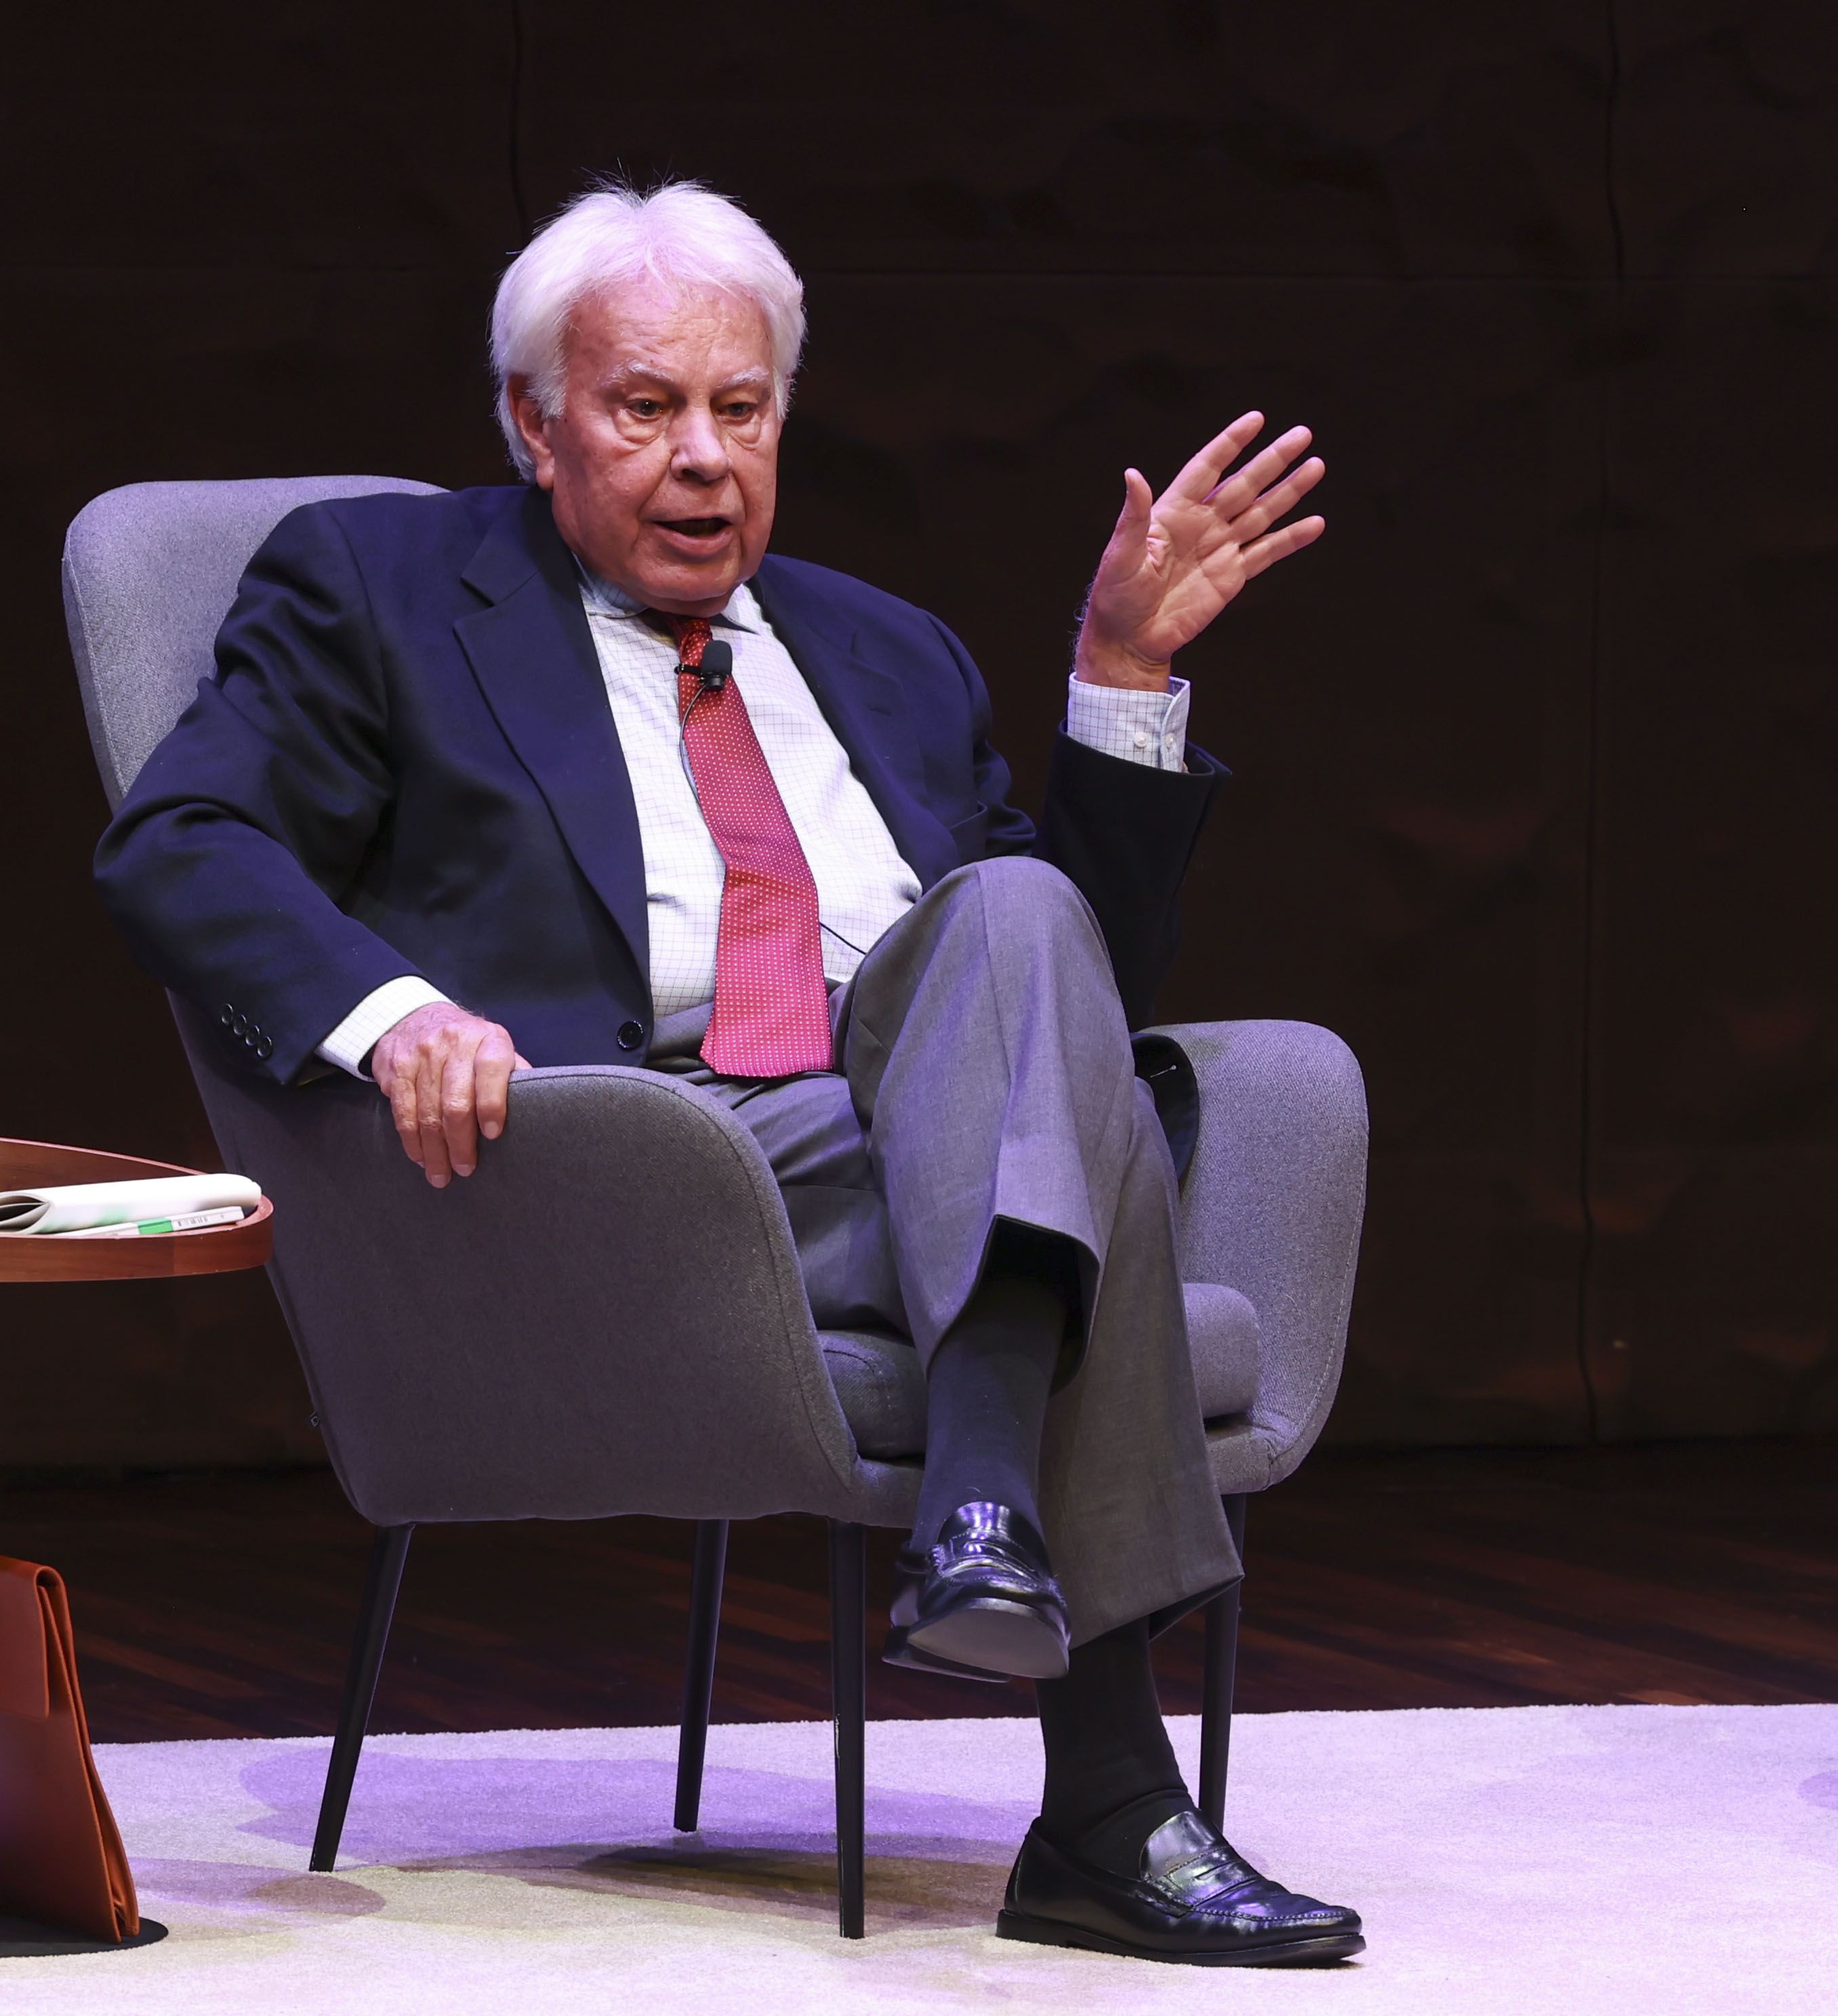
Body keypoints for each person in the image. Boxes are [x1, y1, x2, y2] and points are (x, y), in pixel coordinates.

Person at [96, 180, 1364, 1965]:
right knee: (1078, 1174)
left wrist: (1121, 675)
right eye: (645, 408)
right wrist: (396, 1015)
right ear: (535, 427)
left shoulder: (883, 648)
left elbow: (1066, 996)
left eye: (743, 410)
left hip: (914, 1131)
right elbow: (183, 840)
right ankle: (1102, 1799)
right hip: (633, 1157)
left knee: (1012, 920)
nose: (705, 459)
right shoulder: (373, 588)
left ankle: (987, 1521)